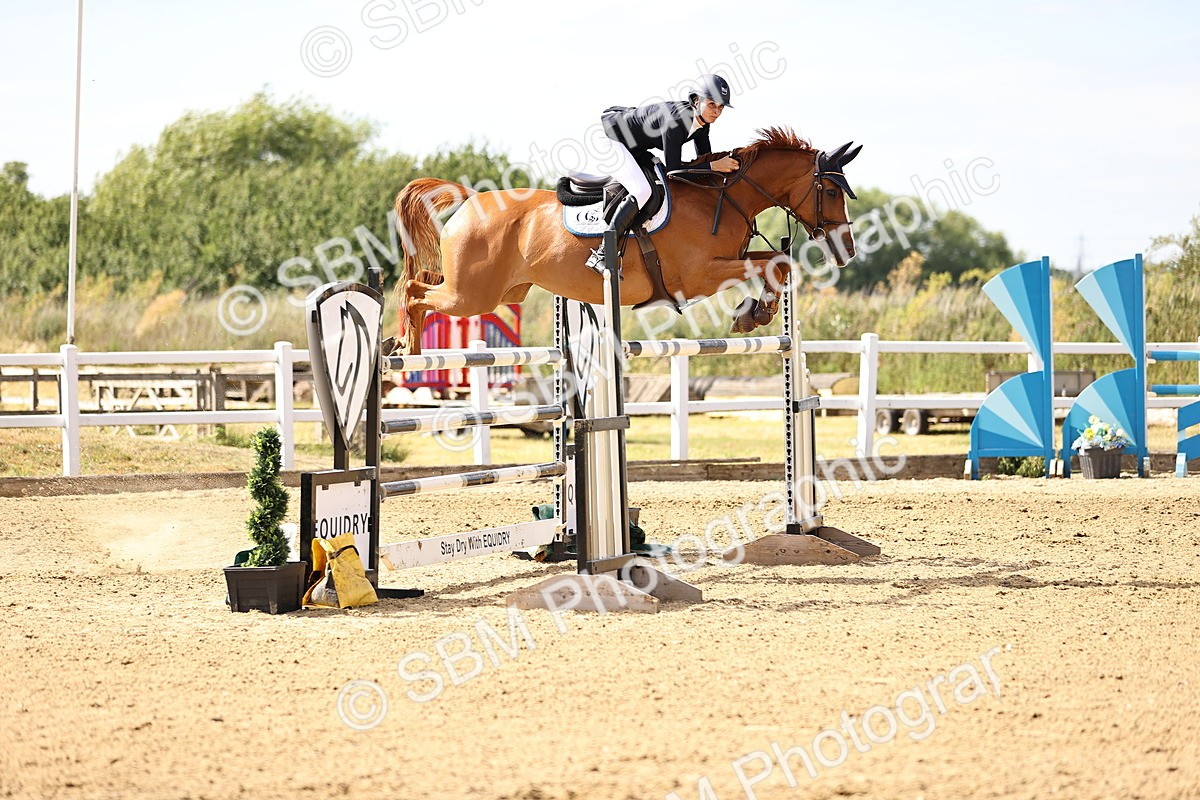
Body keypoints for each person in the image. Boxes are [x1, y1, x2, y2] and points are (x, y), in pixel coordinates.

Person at [584, 74, 741, 273]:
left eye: (721, 107)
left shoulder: (703, 124)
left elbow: (705, 159)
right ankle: (602, 253)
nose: (716, 112)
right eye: (712, 105)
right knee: (642, 190)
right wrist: (714, 166)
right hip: (611, 138)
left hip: (634, 145)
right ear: (696, 101)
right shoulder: (676, 121)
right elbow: (674, 172)